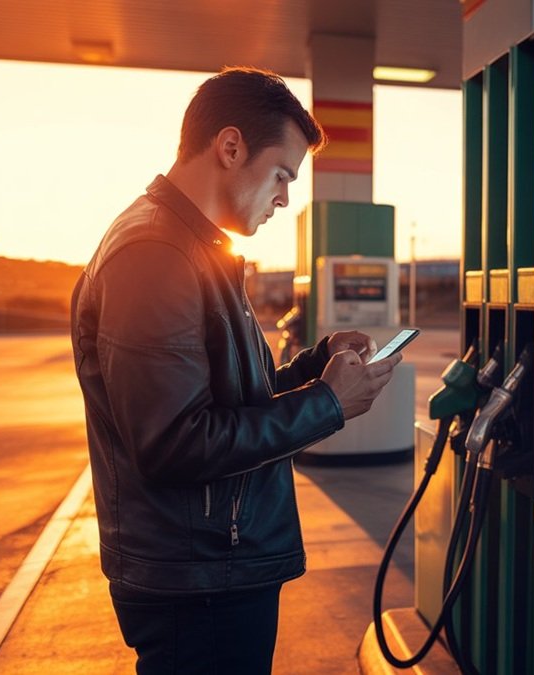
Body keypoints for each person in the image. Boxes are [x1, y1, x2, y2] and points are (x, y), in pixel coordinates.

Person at [70, 66, 402, 674]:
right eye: (281, 175)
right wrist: (326, 407)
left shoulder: (189, 248)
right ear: (230, 147)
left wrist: (315, 366)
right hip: (198, 579)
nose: (283, 197)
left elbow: (224, 399)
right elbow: (173, 443)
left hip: (209, 566)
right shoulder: (155, 255)